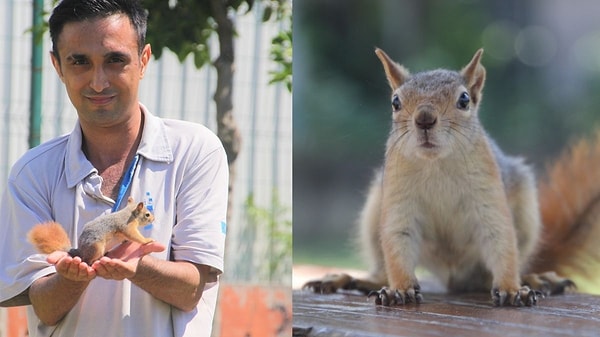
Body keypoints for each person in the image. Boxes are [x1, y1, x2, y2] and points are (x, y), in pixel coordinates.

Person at [0, 0, 228, 336]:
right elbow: (44, 309)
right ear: (57, 66)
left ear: (143, 60)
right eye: (79, 62)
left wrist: (138, 267)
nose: (98, 82)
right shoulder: (32, 173)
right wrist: (72, 277)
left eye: (115, 60)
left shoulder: (195, 151)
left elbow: (192, 289)